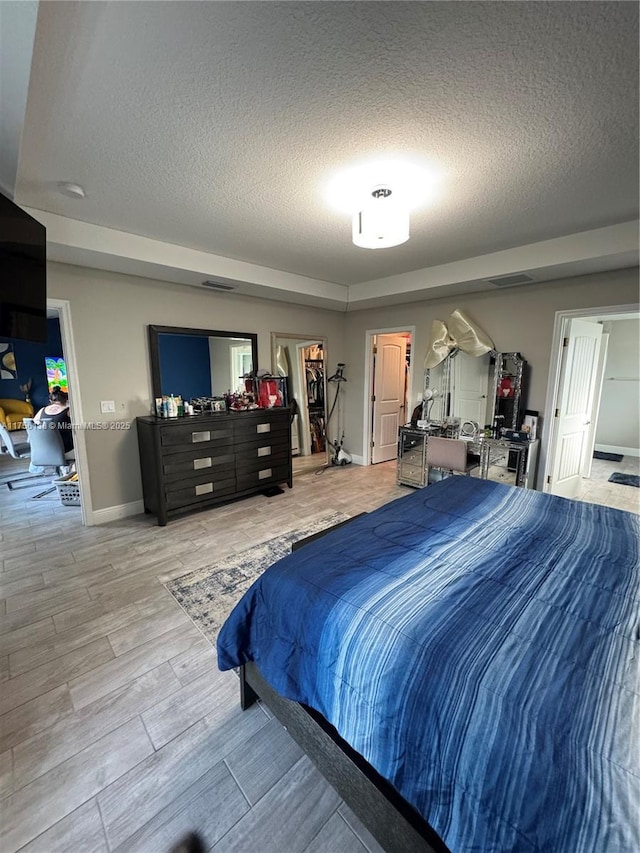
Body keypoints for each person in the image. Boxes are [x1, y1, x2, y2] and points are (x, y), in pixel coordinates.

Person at [33, 386, 75, 459]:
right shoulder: (68, 411)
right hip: (65, 450)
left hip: (46, 449)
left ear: (50, 401)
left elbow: (34, 424)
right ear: (66, 400)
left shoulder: (42, 410)